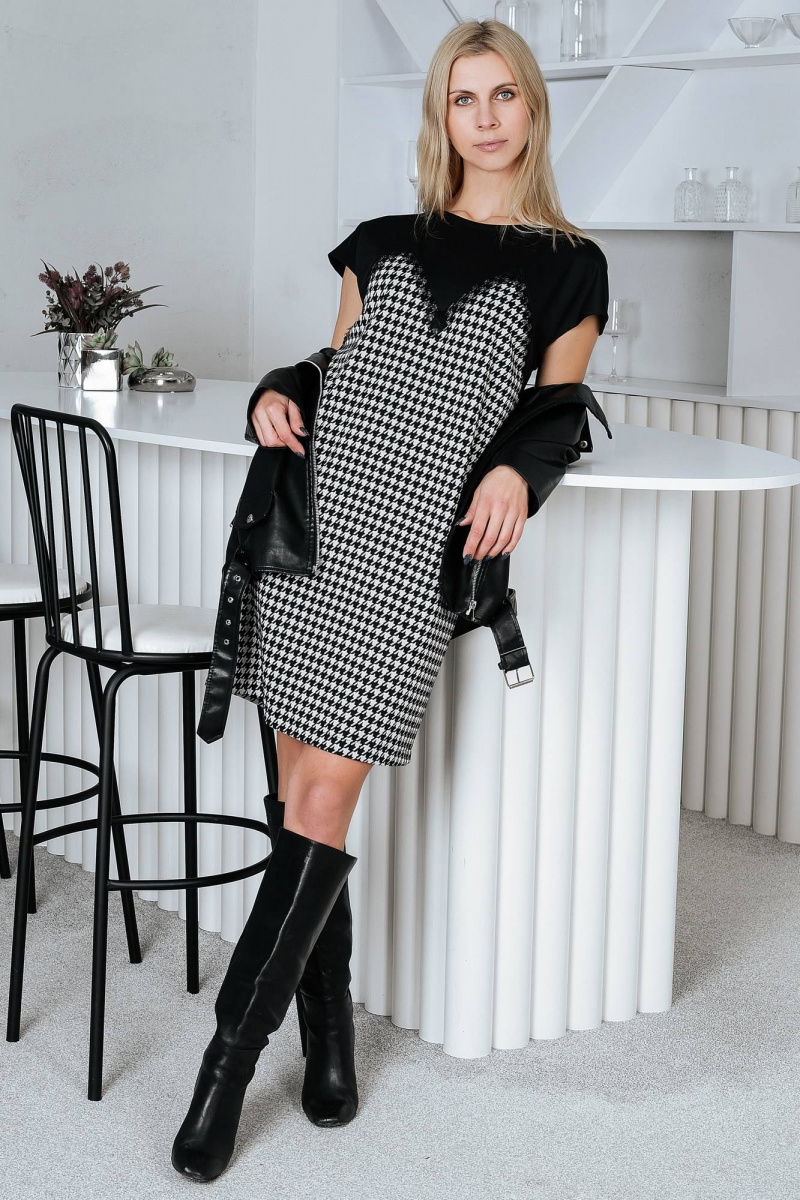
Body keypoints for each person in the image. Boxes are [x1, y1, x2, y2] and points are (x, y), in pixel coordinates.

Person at [171, 16, 609, 1182]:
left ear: (530, 108)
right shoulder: (378, 241)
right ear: (440, 117)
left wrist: (517, 472)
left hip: (409, 552)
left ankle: (221, 1076)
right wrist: (276, 387)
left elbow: (558, 408)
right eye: (463, 97)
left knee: (321, 799)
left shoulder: (569, 264)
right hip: (309, 524)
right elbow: (335, 367)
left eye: (502, 95)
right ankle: (325, 1043)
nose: (484, 117)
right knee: (295, 804)